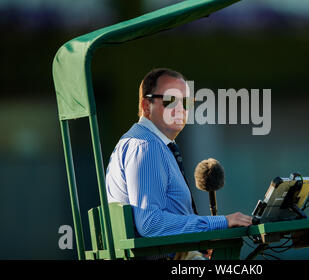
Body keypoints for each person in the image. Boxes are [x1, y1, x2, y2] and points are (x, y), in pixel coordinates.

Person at [105, 68, 252, 259]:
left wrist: (200, 239)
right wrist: (220, 223)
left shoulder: (153, 144)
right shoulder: (146, 146)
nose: (180, 109)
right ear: (146, 105)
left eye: (186, 102)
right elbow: (151, 224)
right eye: (170, 100)